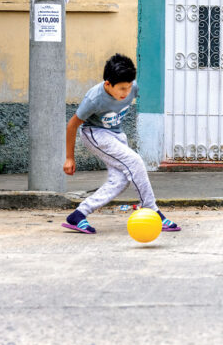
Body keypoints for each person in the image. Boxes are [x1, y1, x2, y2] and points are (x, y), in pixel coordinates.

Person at [61, 53, 179, 234]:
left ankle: (78, 215)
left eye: (129, 87)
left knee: (120, 180)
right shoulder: (94, 98)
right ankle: (152, 211)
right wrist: (69, 158)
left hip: (116, 135)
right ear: (108, 84)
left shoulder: (132, 87)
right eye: (122, 88)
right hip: (95, 134)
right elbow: (72, 125)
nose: (127, 92)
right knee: (135, 162)